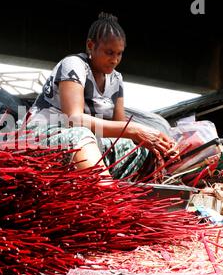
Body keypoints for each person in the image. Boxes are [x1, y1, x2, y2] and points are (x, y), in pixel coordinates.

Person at [23, 12, 177, 181]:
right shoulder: (74, 65)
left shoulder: (116, 79)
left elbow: (119, 129)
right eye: (109, 52)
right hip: (44, 135)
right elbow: (73, 119)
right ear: (91, 45)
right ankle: (108, 194)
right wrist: (136, 130)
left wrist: (157, 141)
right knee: (81, 135)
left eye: (119, 53)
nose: (115, 60)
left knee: (140, 150)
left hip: (88, 141)